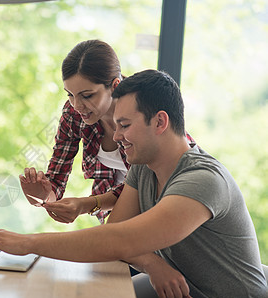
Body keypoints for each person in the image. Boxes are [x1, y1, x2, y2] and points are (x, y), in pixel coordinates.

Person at [0, 70, 268, 298]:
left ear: (160, 122)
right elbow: (115, 235)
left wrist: (26, 243)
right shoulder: (143, 168)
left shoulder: (202, 180)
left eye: (125, 125)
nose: (117, 136)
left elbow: (120, 241)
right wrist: (152, 264)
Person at [20, 39, 194, 225]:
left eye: (87, 95)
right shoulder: (74, 115)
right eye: (70, 94)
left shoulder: (143, 109)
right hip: (115, 213)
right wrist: (42, 196)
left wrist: (87, 204)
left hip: (161, 206)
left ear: (115, 85)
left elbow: (146, 182)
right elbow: (55, 183)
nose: (77, 105)